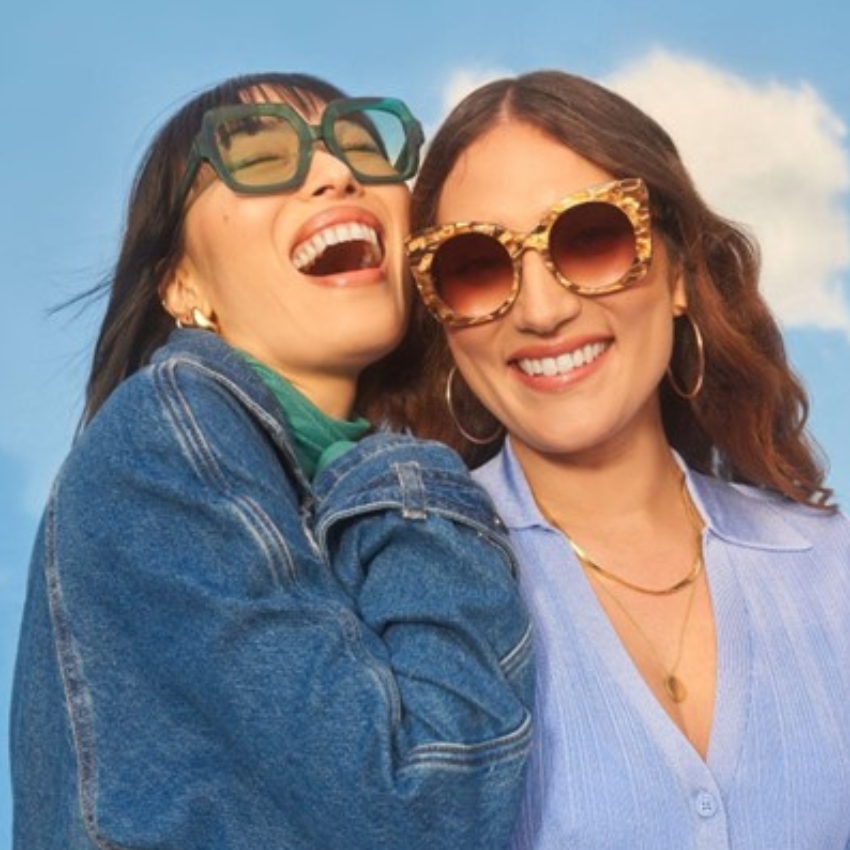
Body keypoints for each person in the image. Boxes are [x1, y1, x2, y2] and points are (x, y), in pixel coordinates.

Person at [10, 72, 535, 850]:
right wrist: (417, 486)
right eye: (258, 157)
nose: (337, 172)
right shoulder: (170, 431)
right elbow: (421, 807)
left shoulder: (326, 476)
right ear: (181, 282)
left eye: (363, 145)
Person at [400, 70, 850, 848]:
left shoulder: (832, 572)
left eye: (590, 237)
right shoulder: (398, 590)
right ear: (442, 319)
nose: (543, 311)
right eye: (476, 265)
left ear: (677, 271)